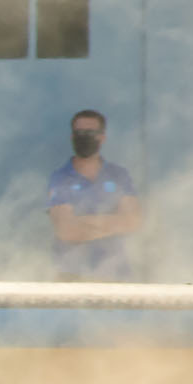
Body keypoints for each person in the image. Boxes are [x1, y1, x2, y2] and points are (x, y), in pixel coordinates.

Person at [48, 109, 140, 281]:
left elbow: (132, 222)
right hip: (72, 275)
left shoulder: (119, 175)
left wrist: (83, 222)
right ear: (72, 137)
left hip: (115, 274)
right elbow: (67, 232)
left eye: (90, 132)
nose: (84, 137)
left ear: (102, 137)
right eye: (79, 132)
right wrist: (113, 221)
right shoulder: (60, 178)